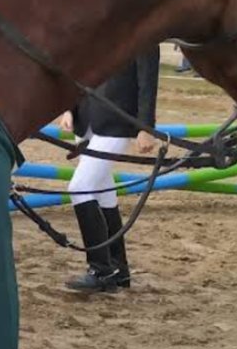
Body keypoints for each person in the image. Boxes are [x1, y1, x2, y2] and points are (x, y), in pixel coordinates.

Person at [53, 46, 161, 292]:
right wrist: (69, 107)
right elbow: (77, 70)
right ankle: (118, 269)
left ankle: (100, 269)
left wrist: (146, 127)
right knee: (103, 194)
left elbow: (148, 82)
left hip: (117, 123)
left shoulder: (141, 34)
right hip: (86, 120)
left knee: (80, 188)